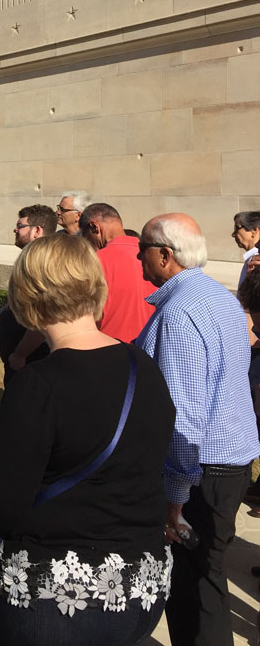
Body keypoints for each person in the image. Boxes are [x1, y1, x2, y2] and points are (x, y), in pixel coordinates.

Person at [0, 234, 176, 646]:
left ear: (28, 297)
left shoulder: (39, 385)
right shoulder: (143, 367)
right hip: (140, 587)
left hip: (58, 598)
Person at [135, 213, 260, 646]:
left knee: (193, 589)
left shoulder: (181, 313)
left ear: (165, 255)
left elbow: (182, 415)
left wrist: (175, 498)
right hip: (227, 463)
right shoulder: (216, 295)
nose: (137, 259)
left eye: (142, 251)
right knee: (207, 579)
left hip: (204, 471)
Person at [79, 202, 154, 341]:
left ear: (94, 227)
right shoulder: (154, 257)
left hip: (110, 351)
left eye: (85, 236)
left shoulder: (94, 262)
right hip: (149, 352)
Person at [0, 205, 57, 372]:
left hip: (31, 360)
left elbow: (43, 317)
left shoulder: (43, 265)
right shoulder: (31, 261)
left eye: (20, 226)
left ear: (37, 231)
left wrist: (20, 354)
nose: (15, 230)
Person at [232, 211, 260, 287]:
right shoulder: (250, 258)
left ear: (254, 230)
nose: (233, 234)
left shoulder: (257, 260)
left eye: (237, 228)